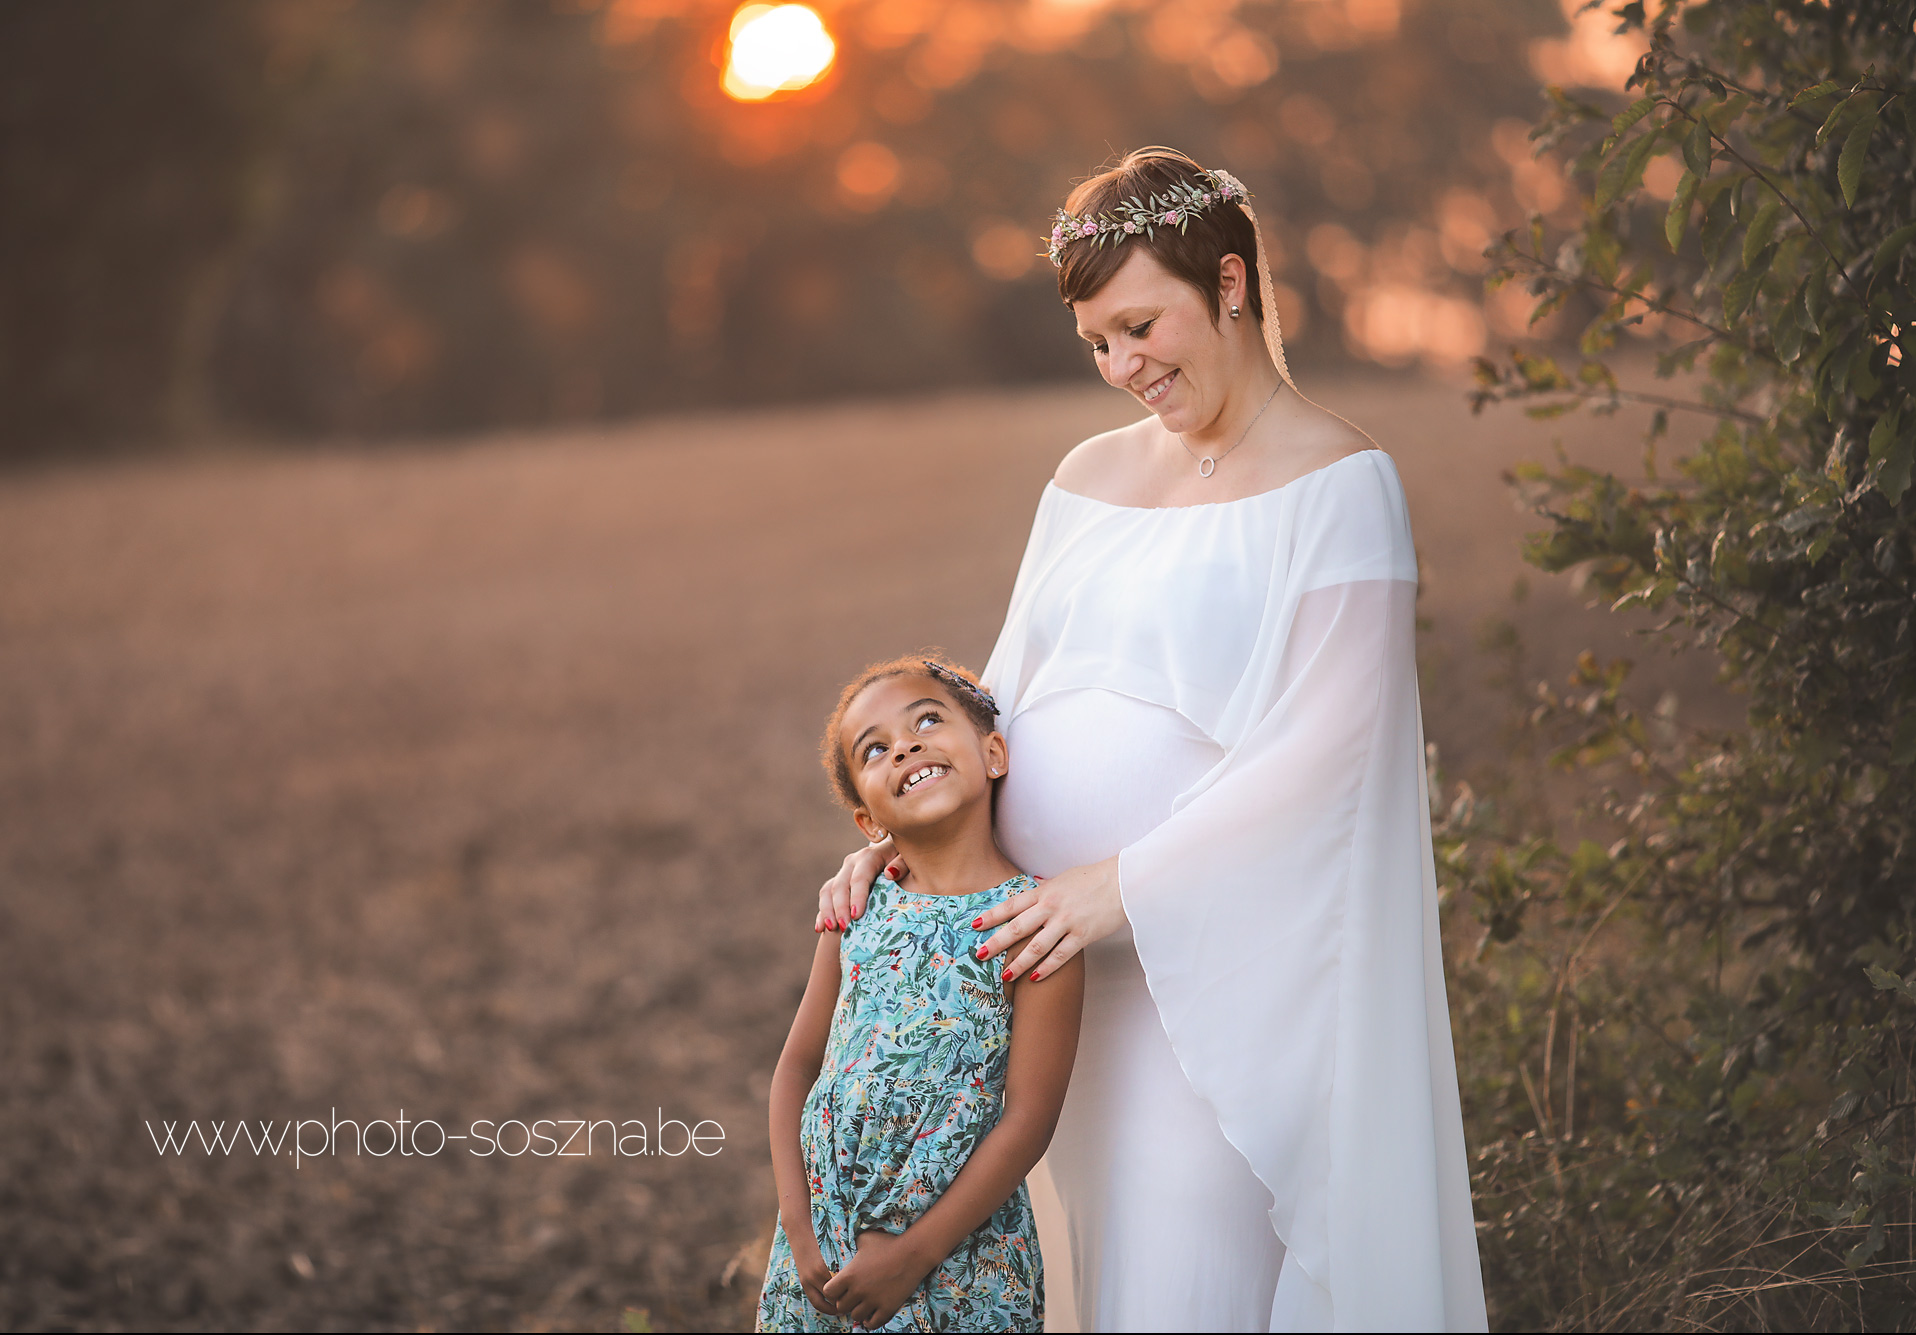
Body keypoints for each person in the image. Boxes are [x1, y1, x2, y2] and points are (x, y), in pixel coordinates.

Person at [815, 149, 1487, 1331]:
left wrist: (1113, 887)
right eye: (1096, 346)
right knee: (1104, 1282)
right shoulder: (1085, 475)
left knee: (1181, 1290)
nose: (1122, 369)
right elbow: (997, 712)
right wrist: (907, 848)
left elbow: (1329, 752)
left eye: (1138, 327)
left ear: (1228, 283)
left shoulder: (1341, 483)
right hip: (1061, 992)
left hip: (1214, 989)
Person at [759, 655, 1085, 1332]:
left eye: (927, 720)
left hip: (959, 1258)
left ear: (993, 752)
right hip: (824, 1244)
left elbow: (1028, 1117)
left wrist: (916, 1251)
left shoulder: (1034, 921)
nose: (905, 745)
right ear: (866, 820)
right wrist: (798, 1220)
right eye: (875, 748)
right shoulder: (858, 907)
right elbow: (796, 1066)